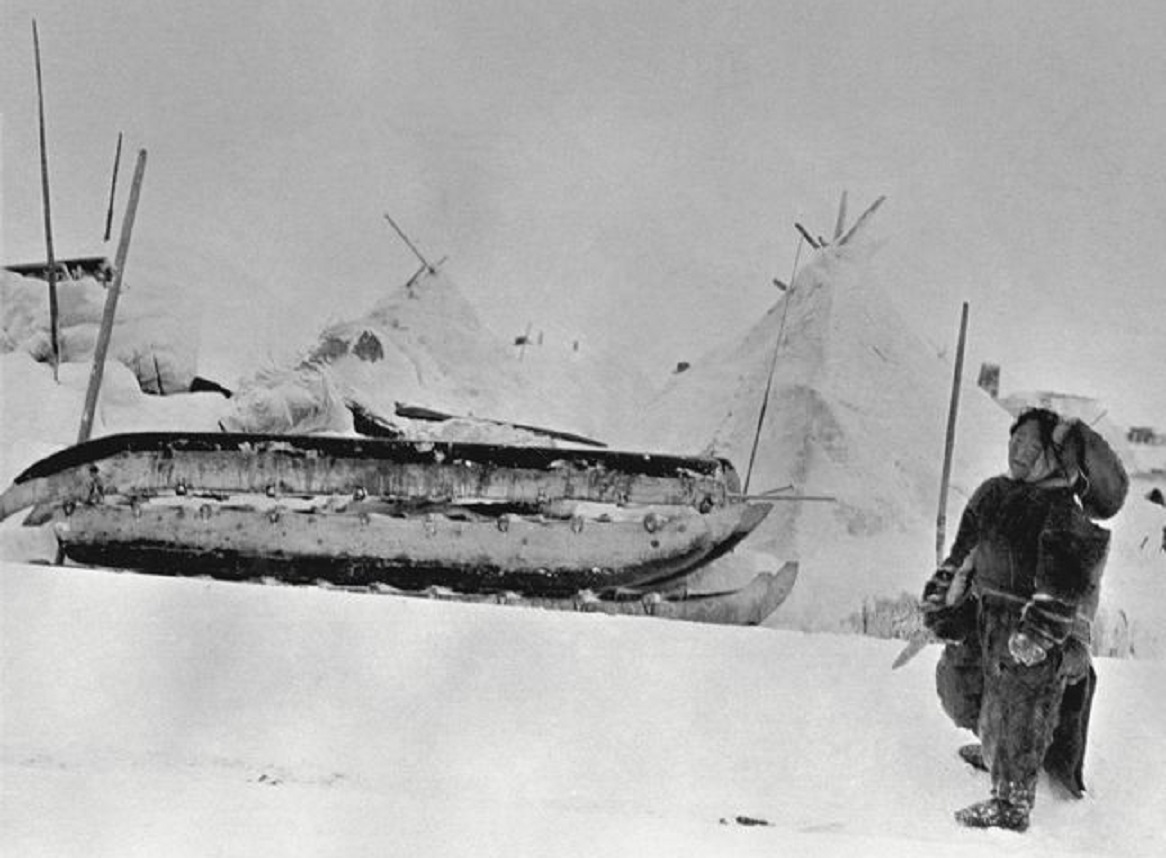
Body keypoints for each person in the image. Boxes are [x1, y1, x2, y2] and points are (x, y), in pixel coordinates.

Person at [920, 407, 1128, 832]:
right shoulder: (992, 494)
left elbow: (1066, 585)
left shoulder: (1063, 511)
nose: (1019, 452)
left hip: (1035, 624)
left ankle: (1012, 800)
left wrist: (1042, 632)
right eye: (1014, 443)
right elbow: (963, 554)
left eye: (1031, 446)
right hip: (986, 616)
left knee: (1020, 704)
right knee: (961, 687)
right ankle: (999, 750)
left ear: (1052, 456)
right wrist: (943, 597)